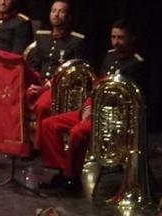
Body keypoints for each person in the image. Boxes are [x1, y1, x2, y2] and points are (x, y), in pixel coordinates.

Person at [36, 21, 145, 189]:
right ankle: (63, 171)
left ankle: (71, 178)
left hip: (113, 116)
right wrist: (88, 106)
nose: (116, 42)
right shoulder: (109, 56)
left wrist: (98, 111)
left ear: (132, 38)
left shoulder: (137, 63)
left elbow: (132, 98)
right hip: (94, 108)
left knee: (77, 132)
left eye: (121, 38)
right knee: (49, 124)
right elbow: (97, 86)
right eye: (113, 37)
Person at [25, 0, 89, 117]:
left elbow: (74, 74)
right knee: (14, 97)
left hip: (59, 88)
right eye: (53, 11)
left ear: (69, 17)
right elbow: (35, 64)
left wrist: (47, 86)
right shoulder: (42, 37)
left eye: (61, 11)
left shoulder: (76, 41)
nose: (56, 14)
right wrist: (34, 83)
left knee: (42, 107)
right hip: (39, 82)